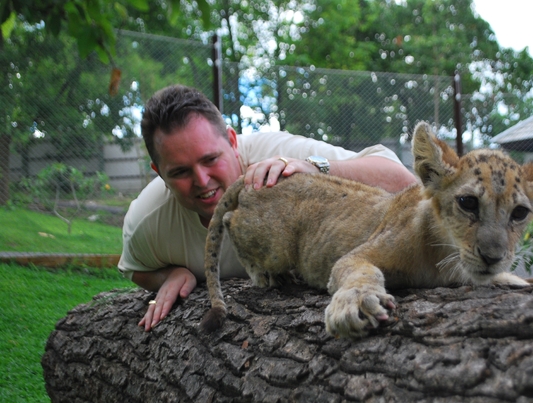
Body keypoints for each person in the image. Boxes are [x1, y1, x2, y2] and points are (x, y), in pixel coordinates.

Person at [118, 84, 417, 331]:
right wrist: (169, 275)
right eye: (180, 172)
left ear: (233, 142)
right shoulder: (148, 219)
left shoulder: (279, 157)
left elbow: (404, 182)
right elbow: (135, 269)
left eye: (211, 159)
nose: (202, 180)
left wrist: (315, 168)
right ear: (159, 172)